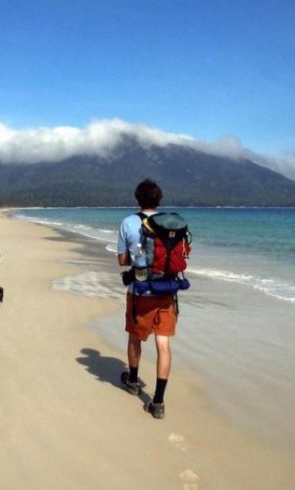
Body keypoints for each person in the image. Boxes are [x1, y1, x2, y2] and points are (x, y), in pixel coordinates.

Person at [117, 178, 178, 419]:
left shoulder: (129, 222)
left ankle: (132, 381)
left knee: (135, 336)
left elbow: (122, 260)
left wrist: (139, 258)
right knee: (163, 344)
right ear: (159, 200)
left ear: (137, 199)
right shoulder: (171, 223)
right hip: (167, 291)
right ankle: (159, 401)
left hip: (140, 291)